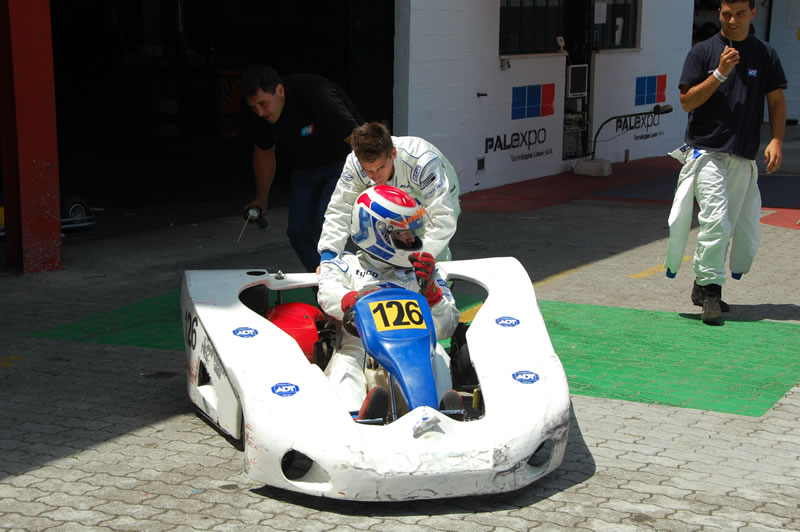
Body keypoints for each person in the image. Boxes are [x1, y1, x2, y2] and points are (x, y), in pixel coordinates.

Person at [664, 0, 787, 324]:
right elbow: (687, 102)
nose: (733, 20)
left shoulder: (765, 55)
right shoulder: (703, 52)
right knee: (715, 222)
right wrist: (720, 73)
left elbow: (776, 101)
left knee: (729, 227)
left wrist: (776, 139)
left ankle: (701, 285)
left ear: (753, 13)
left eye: (740, 14)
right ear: (719, 13)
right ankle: (712, 292)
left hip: (742, 155)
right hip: (706, 152)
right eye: (727, 14)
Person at [317, 185, 460, 419]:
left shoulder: (424, 271)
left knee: (439, 356)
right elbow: (327, 293)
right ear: (376, 232)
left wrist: (432, 293)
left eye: (412, 231)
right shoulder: (345, 266)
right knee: (345, 366)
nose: (411, 238)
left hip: (415, 346)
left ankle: (442, 417)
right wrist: (352, 299)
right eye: (402, 233)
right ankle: (357, 420)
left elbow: (446, 328)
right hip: (362, 346)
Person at [240, 65, 362, 272]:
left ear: (279, 90)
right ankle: (324, 288)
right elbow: (264, 152)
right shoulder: (260, 113)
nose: (259, 112)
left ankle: (347, 281)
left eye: (263, 104)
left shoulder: (317, 94)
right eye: (253, 107)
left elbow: (358, 139)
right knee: (298, 231)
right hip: (305, 169)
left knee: (325, 222)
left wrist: (381, 177)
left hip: (344, 161)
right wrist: (261, 197)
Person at [317, 121, 460, 270]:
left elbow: (443, 218)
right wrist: (329, 255)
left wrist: (420, 258)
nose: (376, 177)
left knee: (430, 258)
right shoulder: (354, 164)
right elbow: (341, 208)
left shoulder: (423, 162)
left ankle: (443, 287)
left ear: (393, 153)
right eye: (369, 171)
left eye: (381, 167)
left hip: (431, 198)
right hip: (392, 203)